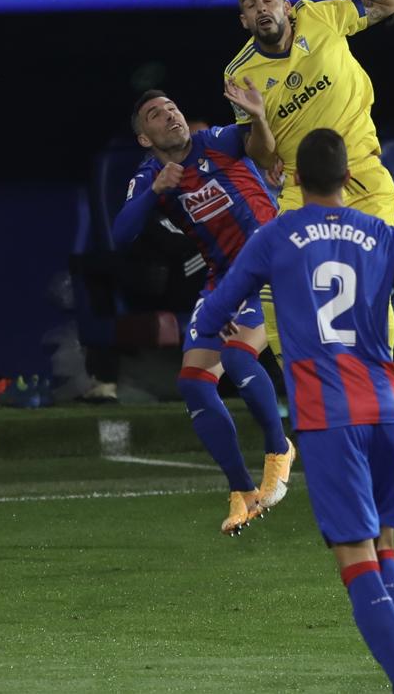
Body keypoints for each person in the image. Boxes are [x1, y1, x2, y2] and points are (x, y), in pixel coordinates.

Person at [195, 128, 394, 693]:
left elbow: (215, 310)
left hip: (328, 411)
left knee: (354, 554)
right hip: (387, 407)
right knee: (385, 543)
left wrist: (218, 324)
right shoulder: (381, 234)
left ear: (295, 178)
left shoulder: (277, 235)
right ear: (349, 177)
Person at [113, 90, 296, 533]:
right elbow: (120, 235)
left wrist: (257, 119)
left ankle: (279, 450)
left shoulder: (215, 140)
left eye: (173, 107)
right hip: (223, 281)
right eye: (156, 115)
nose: (170, 115)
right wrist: (155, 191)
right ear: (144, 138)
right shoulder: (152, 175)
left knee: (236, 357)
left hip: (270, 265)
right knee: (193, 384)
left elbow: (261, 146)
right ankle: (242, 490)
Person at [223, 0, 394, 356]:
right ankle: (303, 383)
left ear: (287, 6)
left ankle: (378, 381)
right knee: (278, 278)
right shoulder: (240, 73)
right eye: (250, 4)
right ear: (244, 20)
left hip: (363, 176)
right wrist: (257, 118)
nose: (260, 7)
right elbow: (262, 155)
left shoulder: (322, 14)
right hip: (300, 186)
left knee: (370, 279)